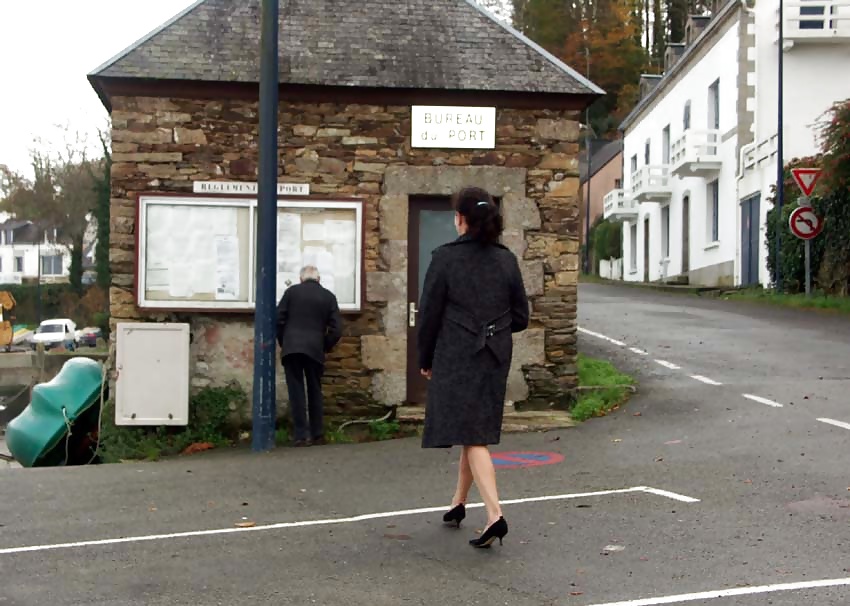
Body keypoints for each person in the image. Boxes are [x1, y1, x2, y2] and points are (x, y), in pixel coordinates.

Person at [417, 186, 530, 548]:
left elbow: (429, 315)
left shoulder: (445, 258)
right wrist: (492, 329)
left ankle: (495, 515)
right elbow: (522, 318)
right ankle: (458, 503)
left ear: (461, 220)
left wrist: (425, 358)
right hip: (495, 356)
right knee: (473, 428)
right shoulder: (506, 260)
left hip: (456, 356)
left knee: (474, 435)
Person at [276, 265, 343, 447]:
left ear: (301, 279)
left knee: (296, 391)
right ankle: (317, 433)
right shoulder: (328, 296)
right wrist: (325, 345)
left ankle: (300, 435)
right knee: (315, 389)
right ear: (319, 279)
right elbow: (337, 329)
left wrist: (284, 341)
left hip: (292, 348)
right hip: (314, 348)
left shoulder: (291, 293)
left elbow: (278, 319)